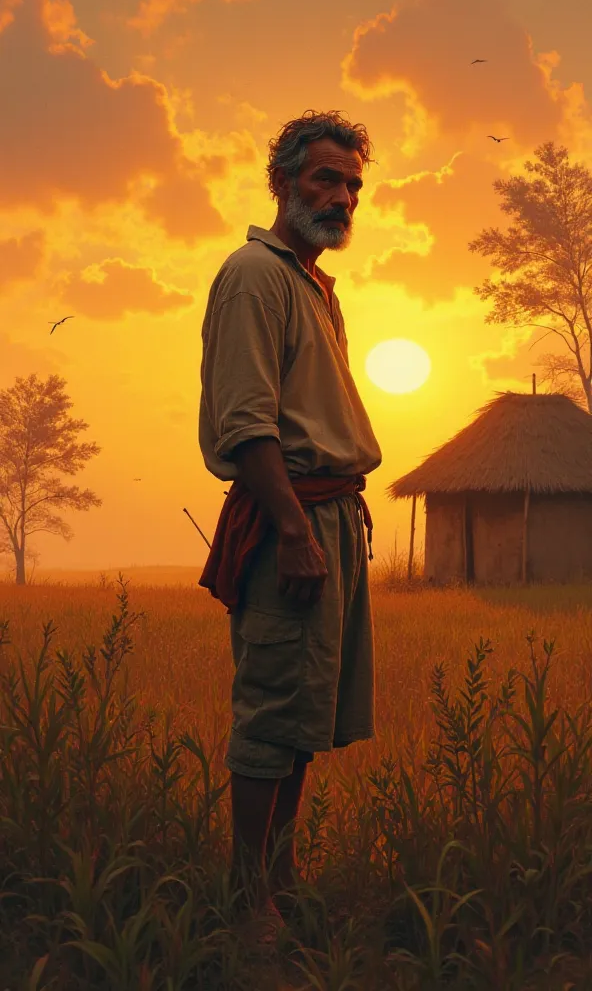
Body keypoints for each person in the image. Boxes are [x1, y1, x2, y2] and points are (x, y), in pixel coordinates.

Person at [198, 109, 382, 945]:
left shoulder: (312, 284)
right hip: (291, 521)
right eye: (324, 179)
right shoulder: (254, 274)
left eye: (351, 183)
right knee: (272, 712)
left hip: (331, 516)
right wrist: (296, 532)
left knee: (307, 715)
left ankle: (280, 877)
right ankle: (249, 904)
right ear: (282, 181)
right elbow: (247, 422)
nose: (341, 197)